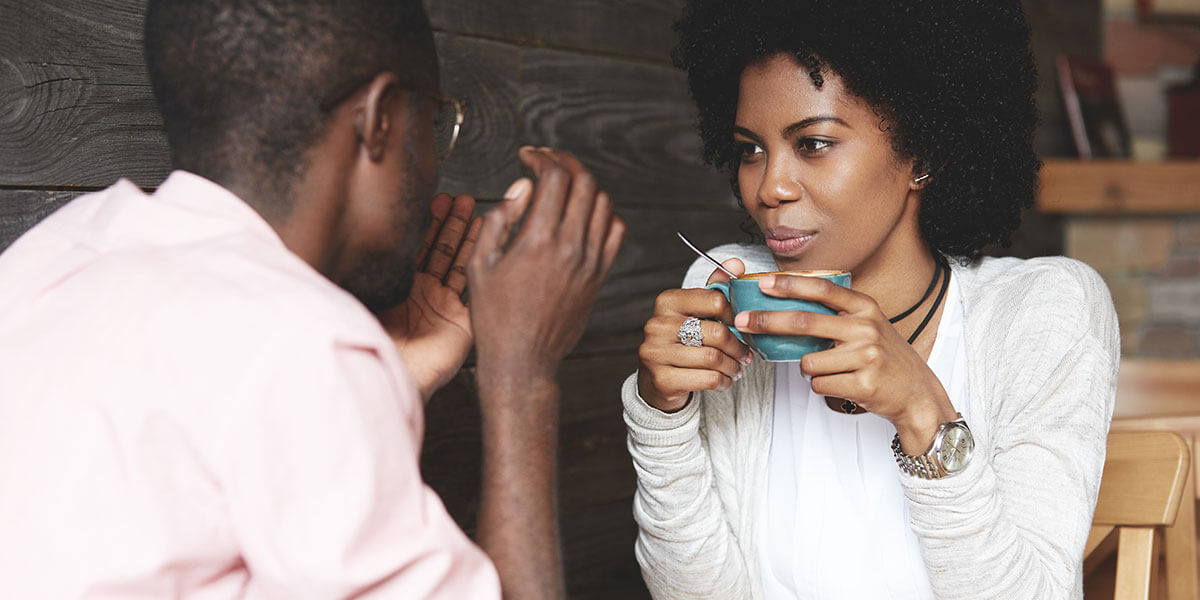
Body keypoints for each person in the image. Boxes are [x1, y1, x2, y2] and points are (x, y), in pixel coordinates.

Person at [0, 1, 624, 598]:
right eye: (434, 120)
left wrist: (390, 380)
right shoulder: (303, 342)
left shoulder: (54, 252)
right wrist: (521, 374)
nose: (436, 158)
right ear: (379, 120)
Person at [623, 1, 1118, 598]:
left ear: (924, 153)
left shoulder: (1043, 311)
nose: (768, 187)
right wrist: (661, 416)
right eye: (751, 149)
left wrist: (925, 417)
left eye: (813, 144)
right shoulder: (726, 294)